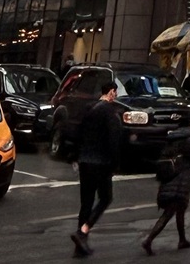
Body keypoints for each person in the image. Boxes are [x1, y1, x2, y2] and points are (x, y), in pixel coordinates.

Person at [72, 80, 123, 257]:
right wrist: (115, 164)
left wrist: (75, 157)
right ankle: (83, 231)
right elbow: (113, 140)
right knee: (105, 198)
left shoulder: (89, 109)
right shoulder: (110, 112)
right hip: (101, 163)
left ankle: (80, 246)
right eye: (115, 92)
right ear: (111, 92)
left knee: (86, 202)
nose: (116, 96)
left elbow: (77, 133)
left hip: (85, 161)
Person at [140, 125, 190, 255]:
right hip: (181, 176)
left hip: (169, 175)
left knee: (180, 210)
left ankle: (182, 240)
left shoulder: (173, 137)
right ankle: (149, 240)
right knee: (169, 213)